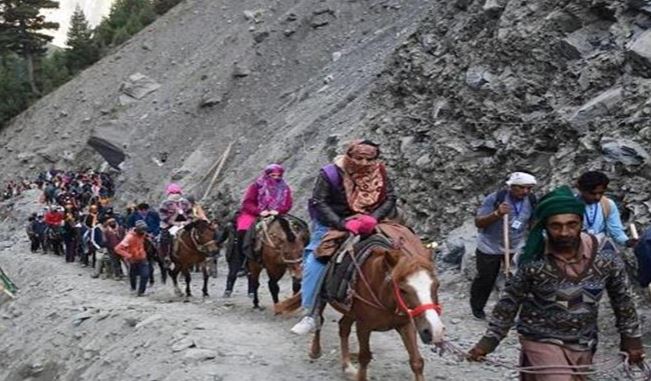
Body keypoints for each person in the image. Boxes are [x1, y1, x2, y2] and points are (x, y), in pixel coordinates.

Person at [468, 186, 645, 380]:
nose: (564, 232)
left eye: (572, 224)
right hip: (540, 338)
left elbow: (622, 298)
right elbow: (510, 301)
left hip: (584, 340)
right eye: (556, 226)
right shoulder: (532, 258)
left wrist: (631, 339)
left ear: (581, 223)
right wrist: (488, 342)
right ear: (545, 226)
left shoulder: (604, 253)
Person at [291, 140, 397, 335]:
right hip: (334, 222)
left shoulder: (380, 171)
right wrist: (343, 224)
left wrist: (373, 218)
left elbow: (390, 197)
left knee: (402, 248)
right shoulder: (330, 174)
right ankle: (311, 312)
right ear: (349, 156)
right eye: (359, 158)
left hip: (371, 220)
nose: (364, 163)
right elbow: (319, 202)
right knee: (318, 260)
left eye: (369, 158)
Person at [470, 171, 537, 320]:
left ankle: (510, 312)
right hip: (490, 245)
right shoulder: (495, 199)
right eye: (521, 188)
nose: (525, 191)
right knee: (486, 278)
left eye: (529, 188)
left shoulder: (531, 200)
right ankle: (477, 307)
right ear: (511, 187)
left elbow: (532, 222)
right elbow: (479, 222)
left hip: (516, 244)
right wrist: (497, 214)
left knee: (517, 279)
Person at [223, 164, 293, 297]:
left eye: (279, 176)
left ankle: (294, 258)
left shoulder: (285, 188)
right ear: (267, 174)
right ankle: (242, 259)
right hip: (254, 213)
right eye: (273, 175)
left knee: (294, 229)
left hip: (276, 213)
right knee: (243, 229)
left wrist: (278, 211)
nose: (276, 178)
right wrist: (260, 212)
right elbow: (247, 203)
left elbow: (288, 204)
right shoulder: (256, 186)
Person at [576, 171, 636, 248]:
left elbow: (616, 232)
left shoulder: (608, 204)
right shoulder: (570, 205)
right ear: (581, 190)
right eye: (592, 193)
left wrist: (627, 242)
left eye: (601, 193)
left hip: (599, 246)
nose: (597, 197)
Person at [158, 183, 193, 261]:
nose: (175, 195)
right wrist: (173, 223)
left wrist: (188, 221)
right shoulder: (165, 203)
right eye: (173, 193)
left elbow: (190, 213)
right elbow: (163, 216)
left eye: (177, 193)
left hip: (184, 223)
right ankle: (166, 256)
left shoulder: (185, 202)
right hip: (169, 225)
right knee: (164, 238)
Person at [114, 220, 149, 296]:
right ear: (137, 229)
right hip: (133, 259)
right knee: (133, 275)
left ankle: (141, 292)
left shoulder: (143, 234)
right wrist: (128, 256)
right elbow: (118, 249)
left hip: (142, 258)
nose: (144, 232)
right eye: (142, 230)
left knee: (145, 275)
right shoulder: (129, 237)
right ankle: (133, 288)